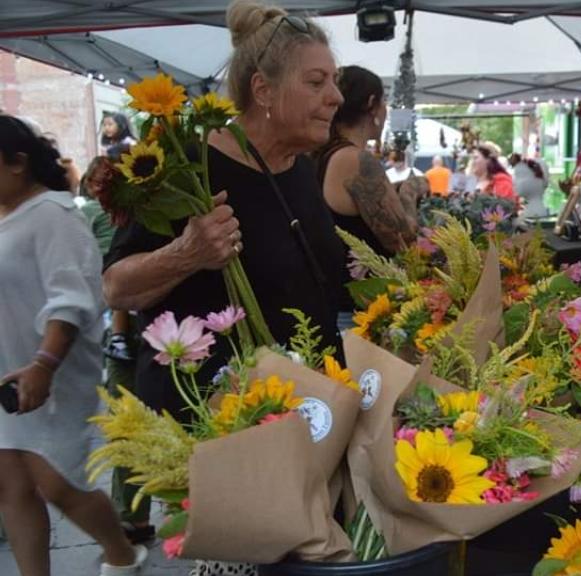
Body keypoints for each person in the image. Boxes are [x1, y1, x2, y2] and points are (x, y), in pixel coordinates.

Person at [103, 0, 352, 422]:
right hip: (210, 420)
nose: (336, 97)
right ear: (263, 90)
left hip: (297, 409)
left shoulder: (299, 167)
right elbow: (116, 288)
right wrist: (186, 253)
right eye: (316, 82)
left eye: (335, 81)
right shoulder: (187, 166)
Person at [0, 114, 146, 576]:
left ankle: (122, 553)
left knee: (58, 481)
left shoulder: (55, 215)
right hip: (8, 369)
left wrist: (44, 363)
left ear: (17, 162)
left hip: (52, 372)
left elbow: (73, 297)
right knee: (11, 485)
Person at [80, 157, 154, 544]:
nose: (99, 188)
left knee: (127, 424)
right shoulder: (101, 217)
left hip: (141, 332)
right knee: (126, 426)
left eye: (106, 182)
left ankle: (132, 517)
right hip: (126, 333)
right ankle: (131, 517)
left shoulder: (133, 216)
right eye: (95, 181)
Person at [315, 64, 418, 275]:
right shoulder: (355, 160)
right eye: (384, 102)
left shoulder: (325, 152)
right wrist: (410, 192)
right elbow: (402, 238)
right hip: (360, 299)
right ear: (372, 104)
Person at [510, 153, 548, 218]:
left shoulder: (535, 213)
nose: (514, 181)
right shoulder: (528, 210)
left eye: (520, 176)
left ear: (537, 179)